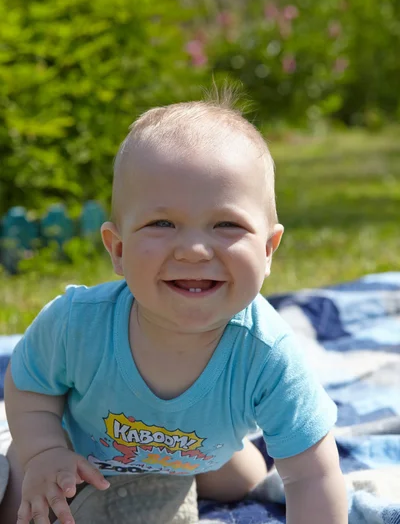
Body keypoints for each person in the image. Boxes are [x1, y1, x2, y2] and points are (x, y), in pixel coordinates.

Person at [0, 92, 348, 524]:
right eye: (162, 224)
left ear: (269, 248)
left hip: (194, 454)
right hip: (77, 451)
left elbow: (313, 475)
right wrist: (44, 450)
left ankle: (222, 463)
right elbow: (30, 383)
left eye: (227, 225)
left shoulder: (268, 354)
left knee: (243, 481)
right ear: (119, 250)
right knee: (18, 501)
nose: (195, 250)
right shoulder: (77, 324)